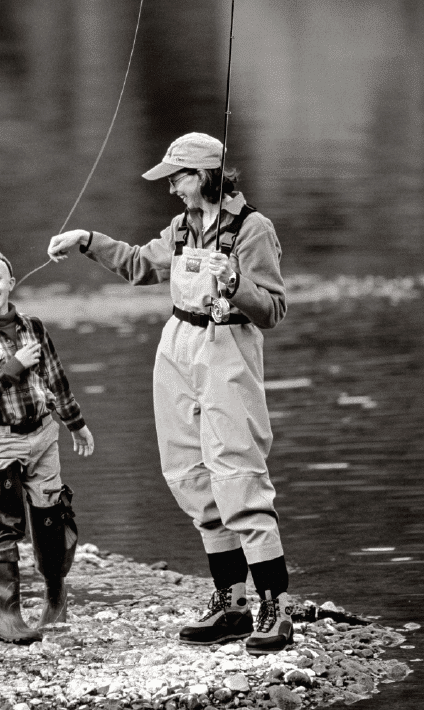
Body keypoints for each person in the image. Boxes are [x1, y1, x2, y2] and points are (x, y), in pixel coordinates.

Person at [47, 132, 292, 654]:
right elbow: (140, 264)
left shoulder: (254, 229)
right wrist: (88, 240)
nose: (172, 188)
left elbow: (271, 310)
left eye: (177, 177)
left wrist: (236, 287)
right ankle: (231, 605)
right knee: (188, 472)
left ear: (203, 174)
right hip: (177, 346)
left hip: (228, 347)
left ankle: (275, 608)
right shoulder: (181, 228)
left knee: (238, 471)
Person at [0, 245, 94, 643]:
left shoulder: (34, 326)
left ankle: (55, 598)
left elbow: (56, 378)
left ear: (12, 282)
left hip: (45, 434)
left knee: (52, 519)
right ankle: (4, 617)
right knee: (1, 523)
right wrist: (12, 368)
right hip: (2, 442)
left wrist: (75, 424)